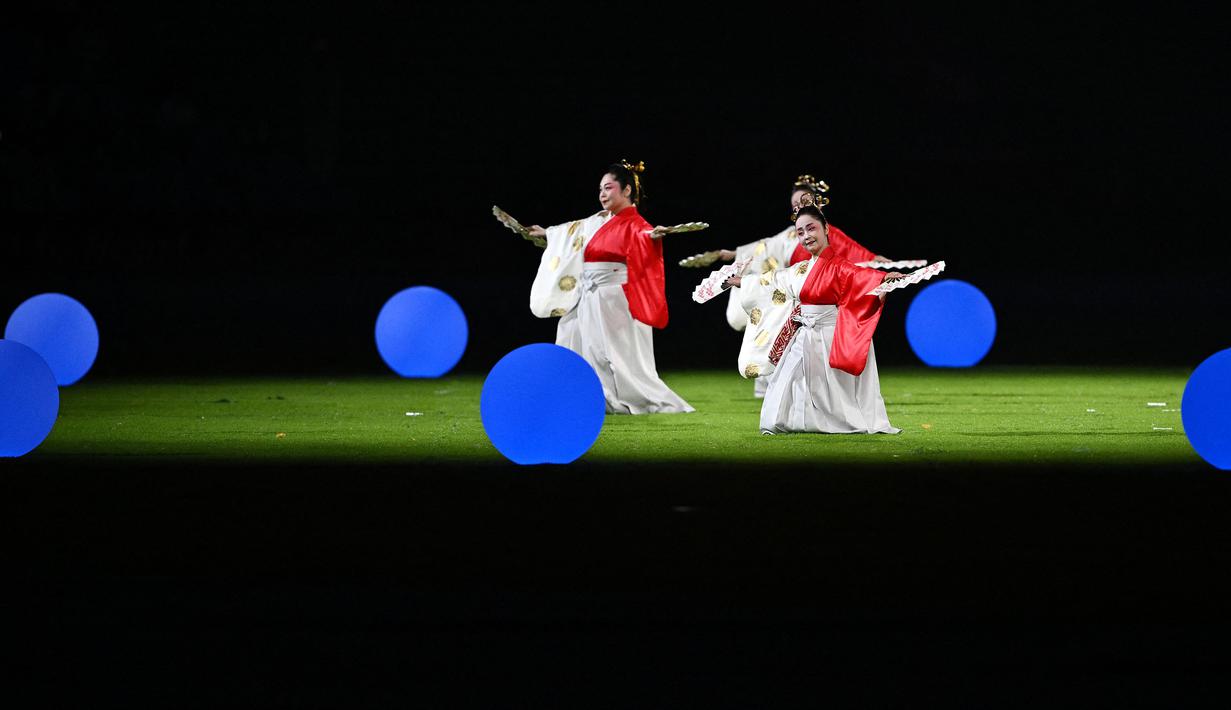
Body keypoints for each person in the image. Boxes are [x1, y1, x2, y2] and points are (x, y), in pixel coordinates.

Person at [522, 161, 694, 414]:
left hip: (613, 295)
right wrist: (547, 233)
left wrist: (652, 236)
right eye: (600, 189)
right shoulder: (599, 221)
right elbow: (572, 233)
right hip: (587, 293)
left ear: (626, 191)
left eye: (609, 188)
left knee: (611, 352)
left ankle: (622, 398)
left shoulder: (637, 224)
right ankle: (581, 395)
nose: (602, 194)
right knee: (574, 340)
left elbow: (641, 235)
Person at [726, 192, 900, 434]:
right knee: (785, 380)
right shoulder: (801, 269)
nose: (806, 236)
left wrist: (884, 278)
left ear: (826, 228)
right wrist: (742, 282)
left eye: (811, 229)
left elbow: (862, 277)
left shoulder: (840, 266)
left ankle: (836, 422)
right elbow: (774, 280)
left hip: (829, 335)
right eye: (800, 232)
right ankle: (785, 422)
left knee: (830, 391)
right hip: (802, 335)